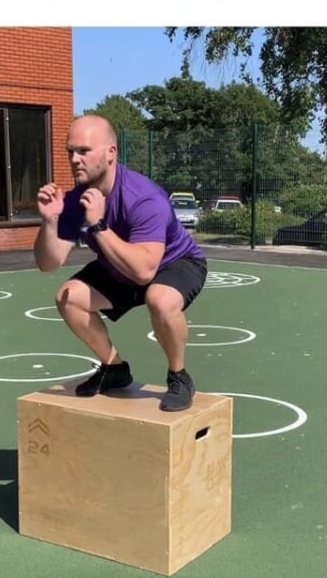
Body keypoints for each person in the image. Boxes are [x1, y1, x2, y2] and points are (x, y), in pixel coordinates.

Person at [33, 115, 208, 412]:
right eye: (70, 151)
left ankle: (179, 376)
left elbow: (144, 272)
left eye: (84, 151)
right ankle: (114, 368)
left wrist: (99, 224)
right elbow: (48, 263)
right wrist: (49, 222)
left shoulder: (144, 198)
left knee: (160, 299)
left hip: (173, 262)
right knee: (68, 297)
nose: (74, 160)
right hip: (121, 266)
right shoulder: (76, 200)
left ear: (111, 153)